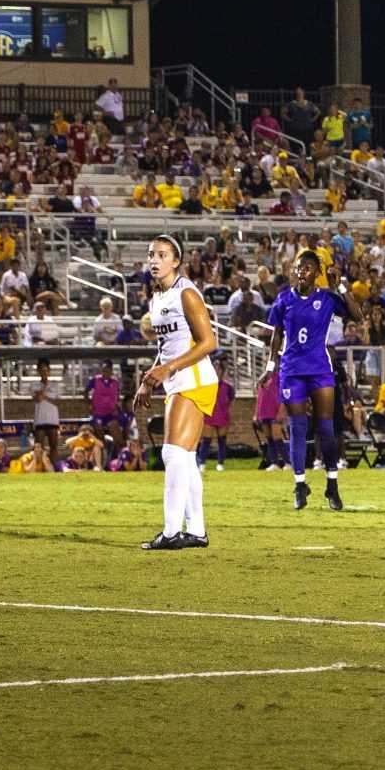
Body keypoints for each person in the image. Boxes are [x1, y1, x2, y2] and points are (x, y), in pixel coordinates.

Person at [138, 235, 218, 550]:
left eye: (162, 255)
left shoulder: (187, 293)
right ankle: (196, 531)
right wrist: (149, 378)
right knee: (184, 457)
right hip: (177, 380)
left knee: (172, 454)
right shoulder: (157, 298)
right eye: (151, 255)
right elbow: (166, 347)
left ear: (176, 260)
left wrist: (167, 369)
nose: (154, 260)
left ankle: (171, 532)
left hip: (195, 378)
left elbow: (208, 342)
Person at [264, 252, 350, 512]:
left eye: (308, 267)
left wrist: (341, 286)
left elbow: (356, 314)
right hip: (292, 370)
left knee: (325, 428)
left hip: (320, 369)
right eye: (299, 267)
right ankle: (300, 484)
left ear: (317, 272)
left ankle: (332, 485)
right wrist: (270, 367)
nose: (302, 271)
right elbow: (277, 335)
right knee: (298, 427)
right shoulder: (284, 299)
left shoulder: (326, 298)